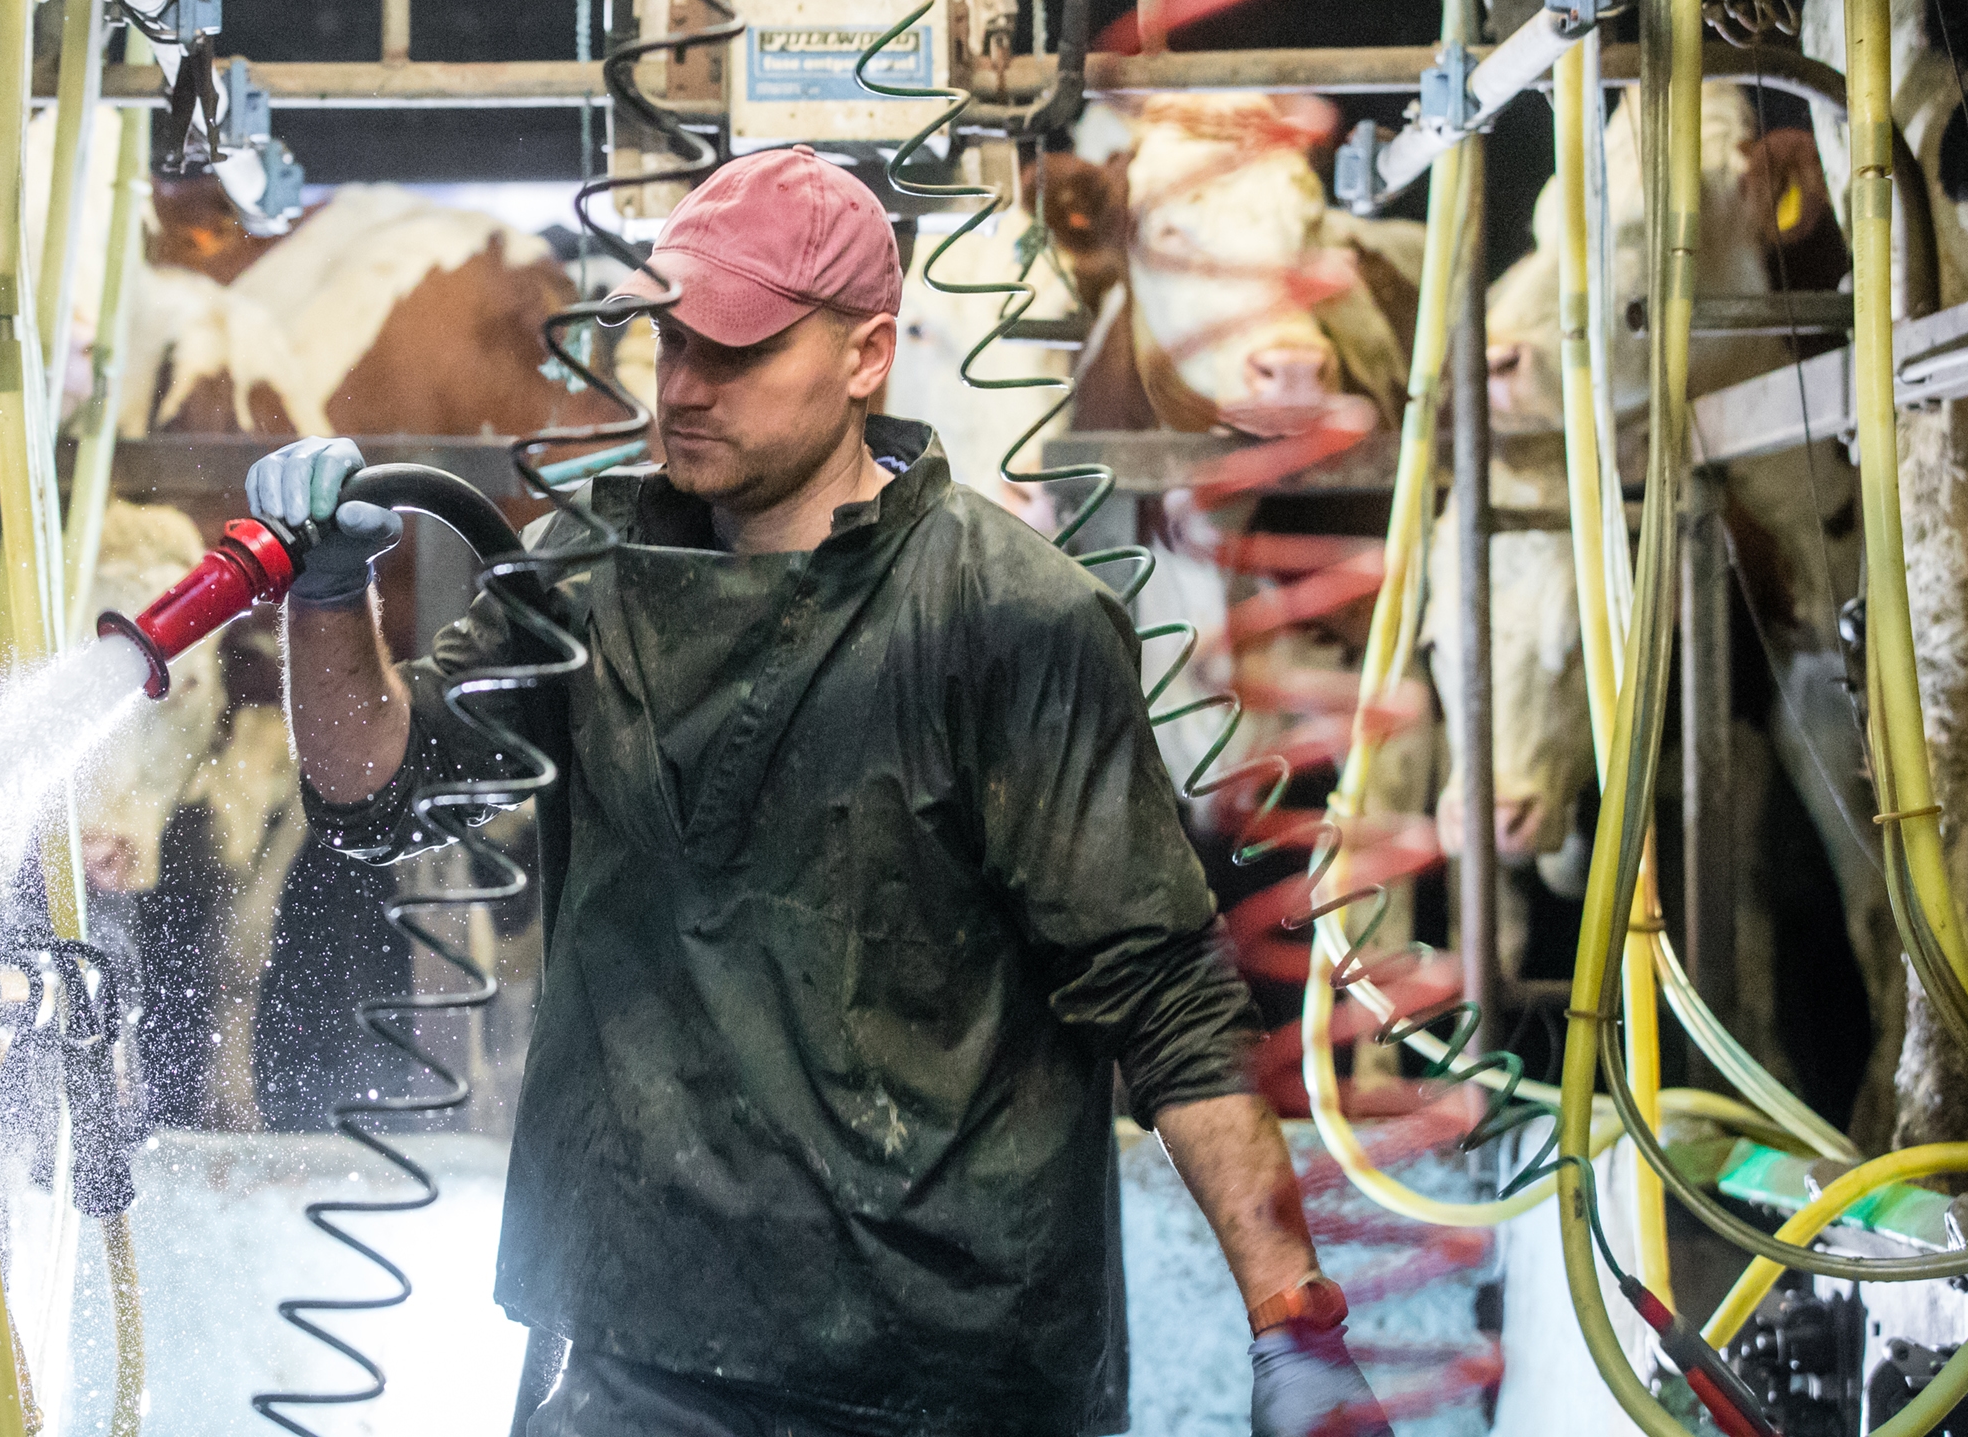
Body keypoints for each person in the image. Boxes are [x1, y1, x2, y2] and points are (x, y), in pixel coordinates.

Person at [248, 145, 1391, 1437]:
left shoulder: (1011, 620)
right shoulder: (590, 581)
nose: (683, 389)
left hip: (942, 1371)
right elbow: (376, 799)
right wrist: (330, 600)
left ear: (867, 357)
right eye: (671, 343)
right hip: (634, 1349)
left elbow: (1162, 984)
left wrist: (1292, 1320)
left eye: (736, 354)